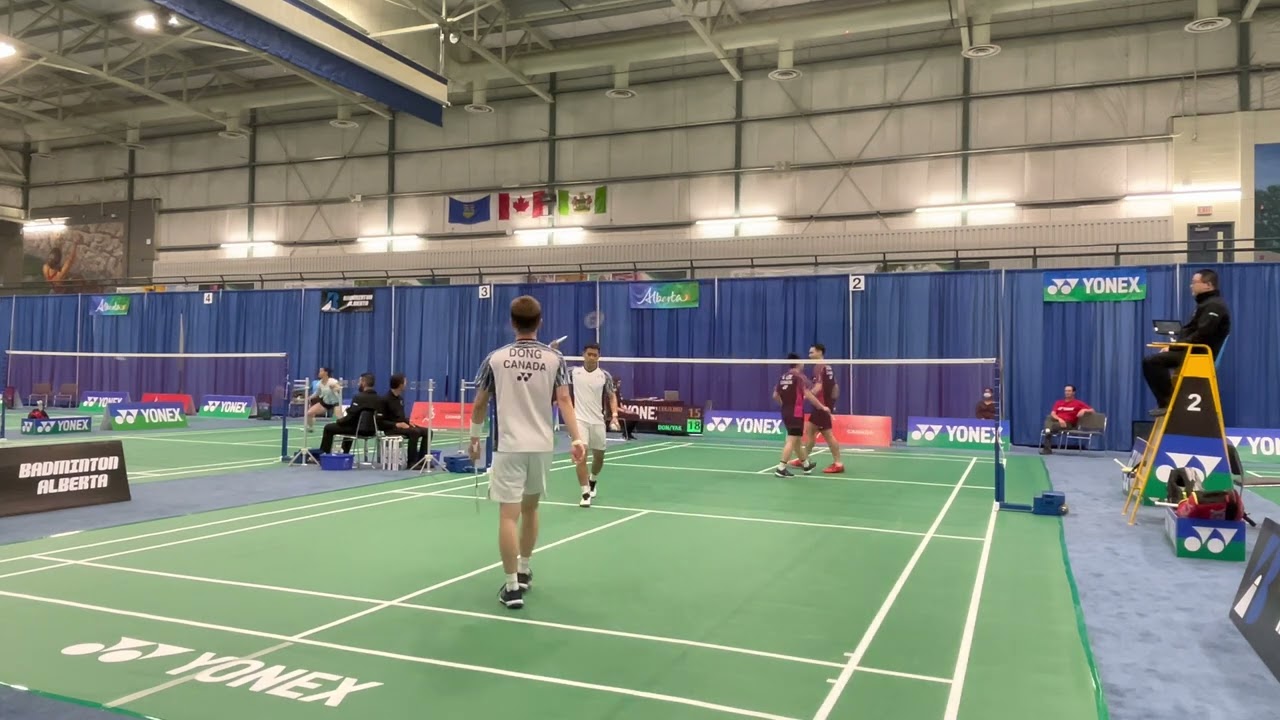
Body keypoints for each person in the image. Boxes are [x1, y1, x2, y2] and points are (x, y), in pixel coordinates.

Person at [469, 296, 586, 610]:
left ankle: (511, 588)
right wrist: (577, 439)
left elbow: (479, 403)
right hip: (541, 447)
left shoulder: (495, 358)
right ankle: (523, 570)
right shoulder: (555, 359)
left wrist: (474, 437)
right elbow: (564, 400)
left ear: (511, 323)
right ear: (540, 322)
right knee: (531, 509)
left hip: (509, 447)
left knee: (509, 515)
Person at [1141, 268, 1231, 417]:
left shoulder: (1214, 306)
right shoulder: (1205, 304)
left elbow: (1202, 335)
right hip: (1191, 351)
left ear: (1208, 285)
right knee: (1152, 361)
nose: (1191, 286)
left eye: (1194, 282)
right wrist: (1173, 347)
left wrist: (1174, 347)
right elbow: (1191, 332)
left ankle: (1167, 402)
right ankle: (1167, 401)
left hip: (1199, 354)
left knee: (1152, 362)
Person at [569, 343, 621, 508]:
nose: (591, 357)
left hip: (598, 421)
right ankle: (585, 493)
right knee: (581, 456)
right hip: (579, 421)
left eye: (595, 355)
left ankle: (592, 480)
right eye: (589, 354)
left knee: (599, 458)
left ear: (599, 357)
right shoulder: (573, 372)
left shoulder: (604, 375)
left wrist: (614, 416)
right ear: (583, 354)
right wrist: (553, 350)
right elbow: (555, 368)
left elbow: (612, 396)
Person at [773, 353, 831, 478]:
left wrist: (785, 405)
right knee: (792, 440)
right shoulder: (799, 377)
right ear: (798, 363)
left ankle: (806, 465)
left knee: (797, 441)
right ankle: (781, 468)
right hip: (796, 413)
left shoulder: (783, 377)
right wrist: (822, 407)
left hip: (785, 411)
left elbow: (775, 395)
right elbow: (809, 395)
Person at [795, 343, 844, 474]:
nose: (809, 355)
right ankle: (803, 459)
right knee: (810, 431)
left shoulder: (819, 367)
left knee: (828, 435)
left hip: (821, 406)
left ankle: (838, 463)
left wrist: (805, 397)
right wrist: (832, 402)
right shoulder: (828, 367)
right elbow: (835, 387)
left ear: (819, 352)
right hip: (823, 405)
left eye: (812, 352)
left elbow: (819, 387)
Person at [319, 373, 382, 455]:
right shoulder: (379, 398)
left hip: (358, 429)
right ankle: (344, 453)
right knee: (349, 427)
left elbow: (351, 417)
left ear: (364, 383)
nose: (358, 384)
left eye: (359, 382)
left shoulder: (359, 397)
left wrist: (340, 421)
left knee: (329, 427)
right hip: (373, 430)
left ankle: (324, 453)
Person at [379, 373, 431, 467]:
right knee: (414, 432)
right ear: (400, 385)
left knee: (428, 432)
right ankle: (411, 462)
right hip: (391, 428)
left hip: (402, 426)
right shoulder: (384, 400)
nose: (406, 384)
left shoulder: (400, 399)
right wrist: (396, 424)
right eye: (405, 382)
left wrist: (408, 422)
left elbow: (400, 417)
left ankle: (422, 460)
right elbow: (380, 422)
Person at [1039, 384, 1093, 455]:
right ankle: (1048, 432)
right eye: (1066, 391)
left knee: (1049, 427)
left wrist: (1084, 410)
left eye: (1069, 391)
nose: (1067, 392)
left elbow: (1092, 410)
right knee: (1049, 418)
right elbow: (1053, 413)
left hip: (1068, 424)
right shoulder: (1059, 402)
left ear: (1073, 392)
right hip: (1058, 421)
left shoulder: (1078, 403)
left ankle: (1047, 443)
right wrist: (1060, 419)